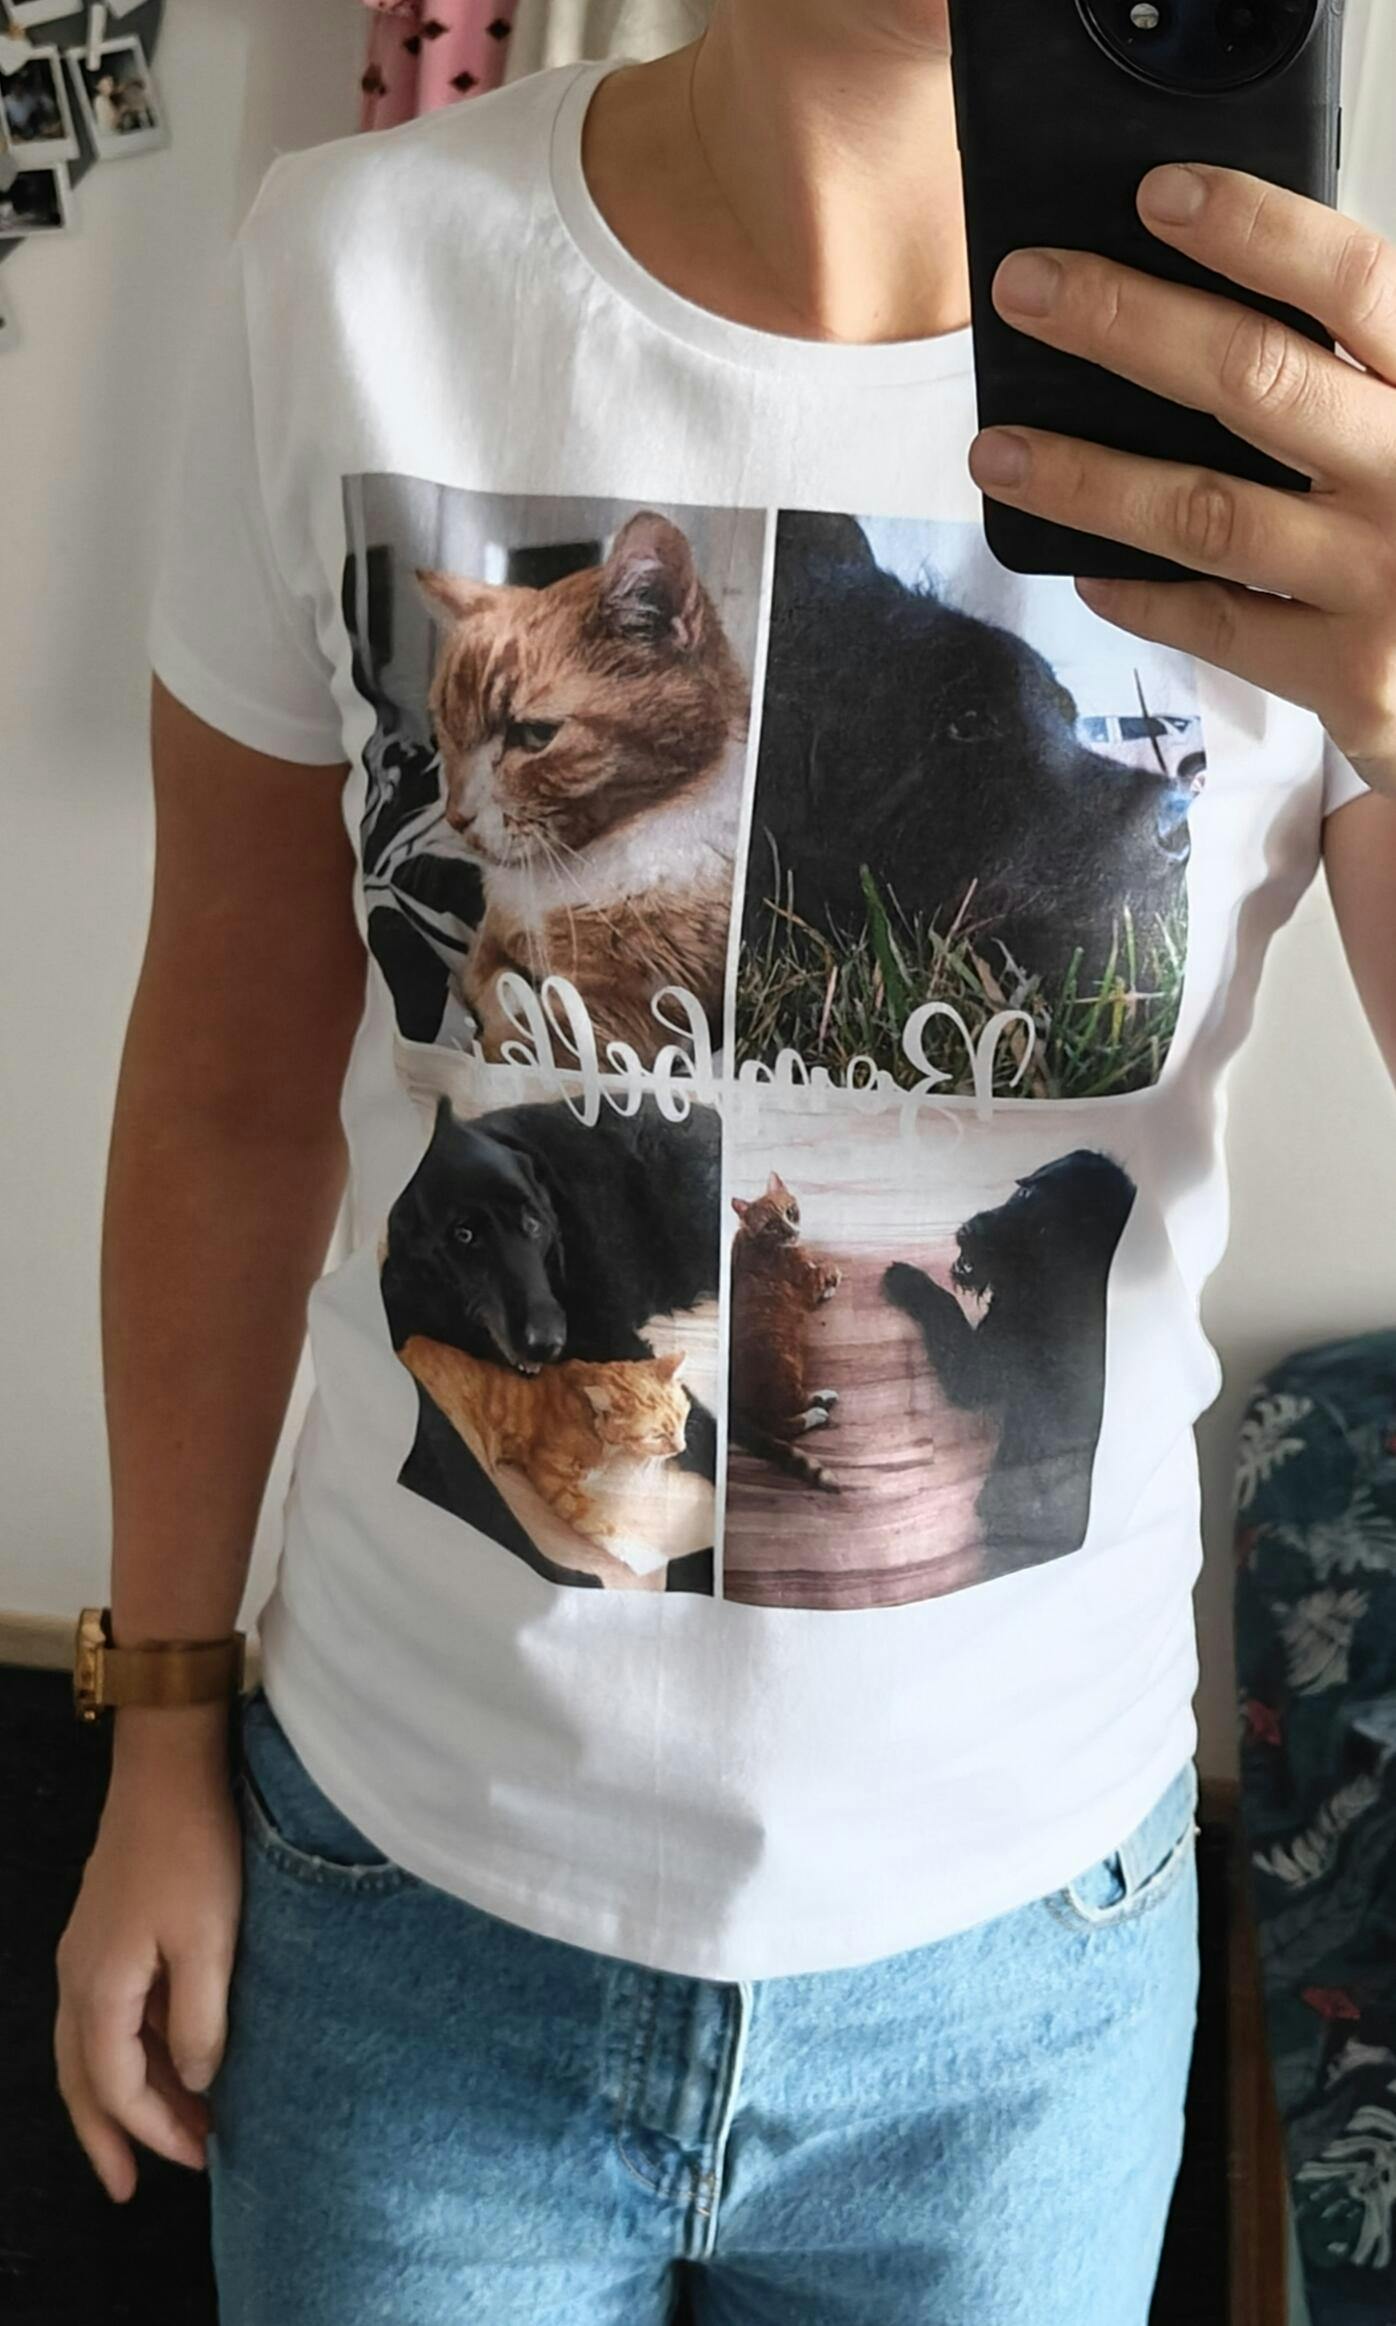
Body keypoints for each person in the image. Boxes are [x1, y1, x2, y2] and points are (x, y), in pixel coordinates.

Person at [54, 4, 1396, 2321]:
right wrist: (155, 1718)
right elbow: (222, 1090)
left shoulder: (1311, 405)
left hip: (1016, 1975)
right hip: (404, 1895)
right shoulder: (357, 269)